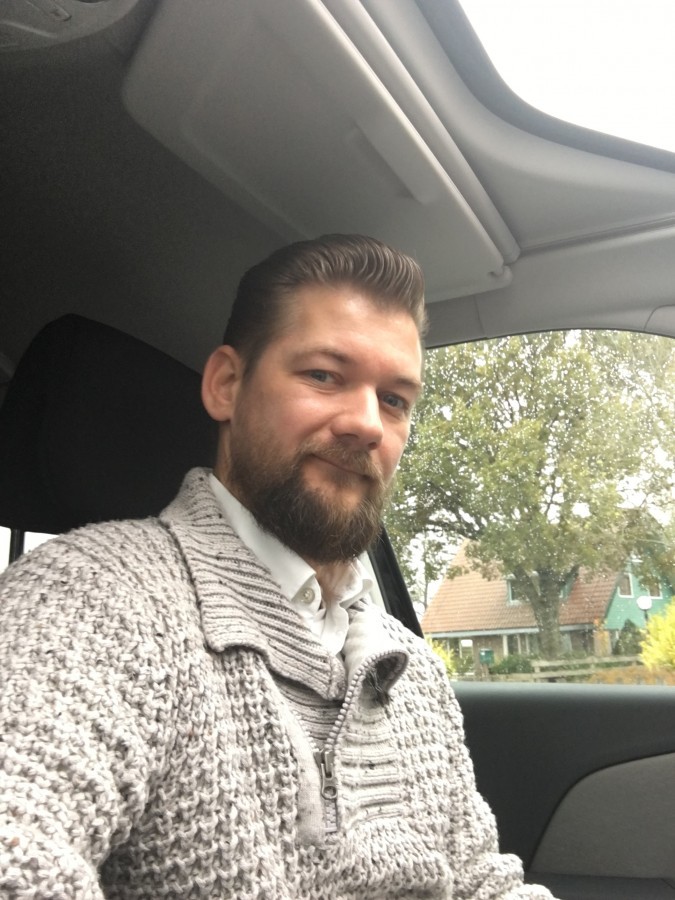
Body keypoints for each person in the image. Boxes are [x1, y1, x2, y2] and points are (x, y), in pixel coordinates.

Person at [0, 235, 556, 898]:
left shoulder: (412, 669)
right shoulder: (90, 599)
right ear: (226, 386)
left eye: (394, 400)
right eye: (323, 375)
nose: (368, 424)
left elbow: (479, 883)